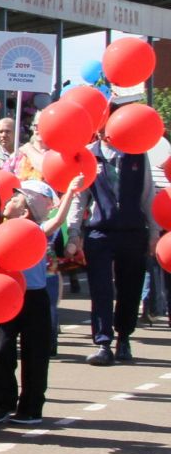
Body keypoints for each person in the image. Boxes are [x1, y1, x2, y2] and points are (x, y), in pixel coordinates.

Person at [75, 122, 164, 365]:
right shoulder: (88, 154)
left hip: (132, 231)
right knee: (100, 287)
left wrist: (154, 232)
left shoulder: (136, 153)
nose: (105, 132)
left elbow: (148, 194)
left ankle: (124, 337)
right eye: (101, 127)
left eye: (109, 126)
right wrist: (74, 233)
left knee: (130, 287)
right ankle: (103, 342)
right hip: (99, 232)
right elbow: (79, 196)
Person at [0, 179, 82, 423]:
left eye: (15, 199)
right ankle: (2, 404)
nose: (8, 200)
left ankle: (31, 408)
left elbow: (57, 221)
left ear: (25, 212)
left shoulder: (36, 230)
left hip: (35, 297)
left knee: (35, 354)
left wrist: (71, 192)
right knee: (2, 350)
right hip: (7, 295)